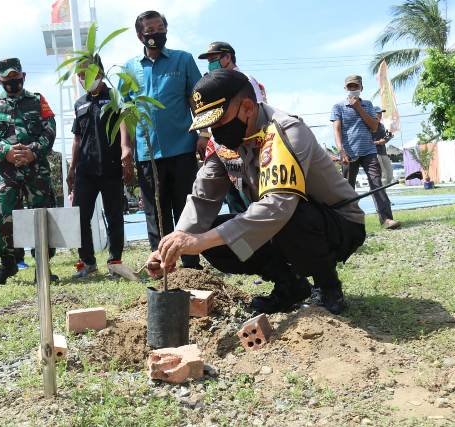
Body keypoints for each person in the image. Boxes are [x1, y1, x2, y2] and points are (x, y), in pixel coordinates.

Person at [146, 69, 366, 315]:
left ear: (248, 107)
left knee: (289, 217)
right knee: (218, 242)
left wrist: (199, 240)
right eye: (208, 125)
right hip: (279, 226)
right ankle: (290, 285)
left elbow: (278, 206)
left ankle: (327, 286)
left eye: (218, 121)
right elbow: (203, 197)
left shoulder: (285, 130)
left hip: (336, 223)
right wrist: (176, 242)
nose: (216, 132)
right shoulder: (223, 144)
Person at [121, 10, 205, 269]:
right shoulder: (129, 68)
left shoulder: (183, 60)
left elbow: (197, 100)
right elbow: (126, 111)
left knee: (185, 208)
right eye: (149, 30)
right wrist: (126, 147)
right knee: (155, 214)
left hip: (182, 147)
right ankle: (161, 263)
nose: (156, 34)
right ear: (140, 36)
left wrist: (204, 133)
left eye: (160, 28)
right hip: (148, 154)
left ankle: (191, 264)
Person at [0, 58, 57, 286]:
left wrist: (32, 151)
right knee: (2, 219)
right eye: (7, 78)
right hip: (6, 174)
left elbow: (50, 129)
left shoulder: (38, 100)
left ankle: (43, 266)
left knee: (42, 217)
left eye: (16, 76)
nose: (13, 80)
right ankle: (8, 264)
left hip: (36, 171)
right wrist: (5, 151)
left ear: (23, 75)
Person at [68, 55, 134, 280]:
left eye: (84, 74)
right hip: (85, 170)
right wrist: (71, 168)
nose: (81, 79)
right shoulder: (80, 103)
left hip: (111, 166)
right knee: (80, 217)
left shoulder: (114, 96)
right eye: (78, 76)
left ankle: (115, 261)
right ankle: (87, 262)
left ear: (98, 73)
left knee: (114, 215)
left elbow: (124, 122)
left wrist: (126, 148)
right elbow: (77, 139)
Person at [198, 41, 267, 214]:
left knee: (253, 198)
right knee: (234, 202)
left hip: (245, 146)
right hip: (224, 148)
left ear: (227, 57)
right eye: (209, 60)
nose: (210, 64)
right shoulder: (214, 82)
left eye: (214, 59)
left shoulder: (244, 79)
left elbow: (256, 113)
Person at [331, 75, 400, 230]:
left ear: (361, 88)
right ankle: (347, 223)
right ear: (345, 89)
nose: (353, 89)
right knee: (348, 189)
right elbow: (336, 130)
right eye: (350, 87)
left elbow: (374, 127)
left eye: (356, 86)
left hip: (369, 151)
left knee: (377, 184)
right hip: (349, 153)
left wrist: (358, 107)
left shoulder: (368, 105)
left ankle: (387, 219)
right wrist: (341, 151)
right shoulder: (338, 107)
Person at [372, 106, 394, 184]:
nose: (380, 115)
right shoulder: (368, 125)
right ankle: (380, 193)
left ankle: (379, 191)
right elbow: (367, 142)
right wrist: (378, 142)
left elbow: (384, 139)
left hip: (383, 152)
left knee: (390, 175)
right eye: (378, 113)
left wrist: (388, 137)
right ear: (372, 113)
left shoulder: (381, 126)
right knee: (382, 175)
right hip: (375, 153)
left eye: (381, 113)